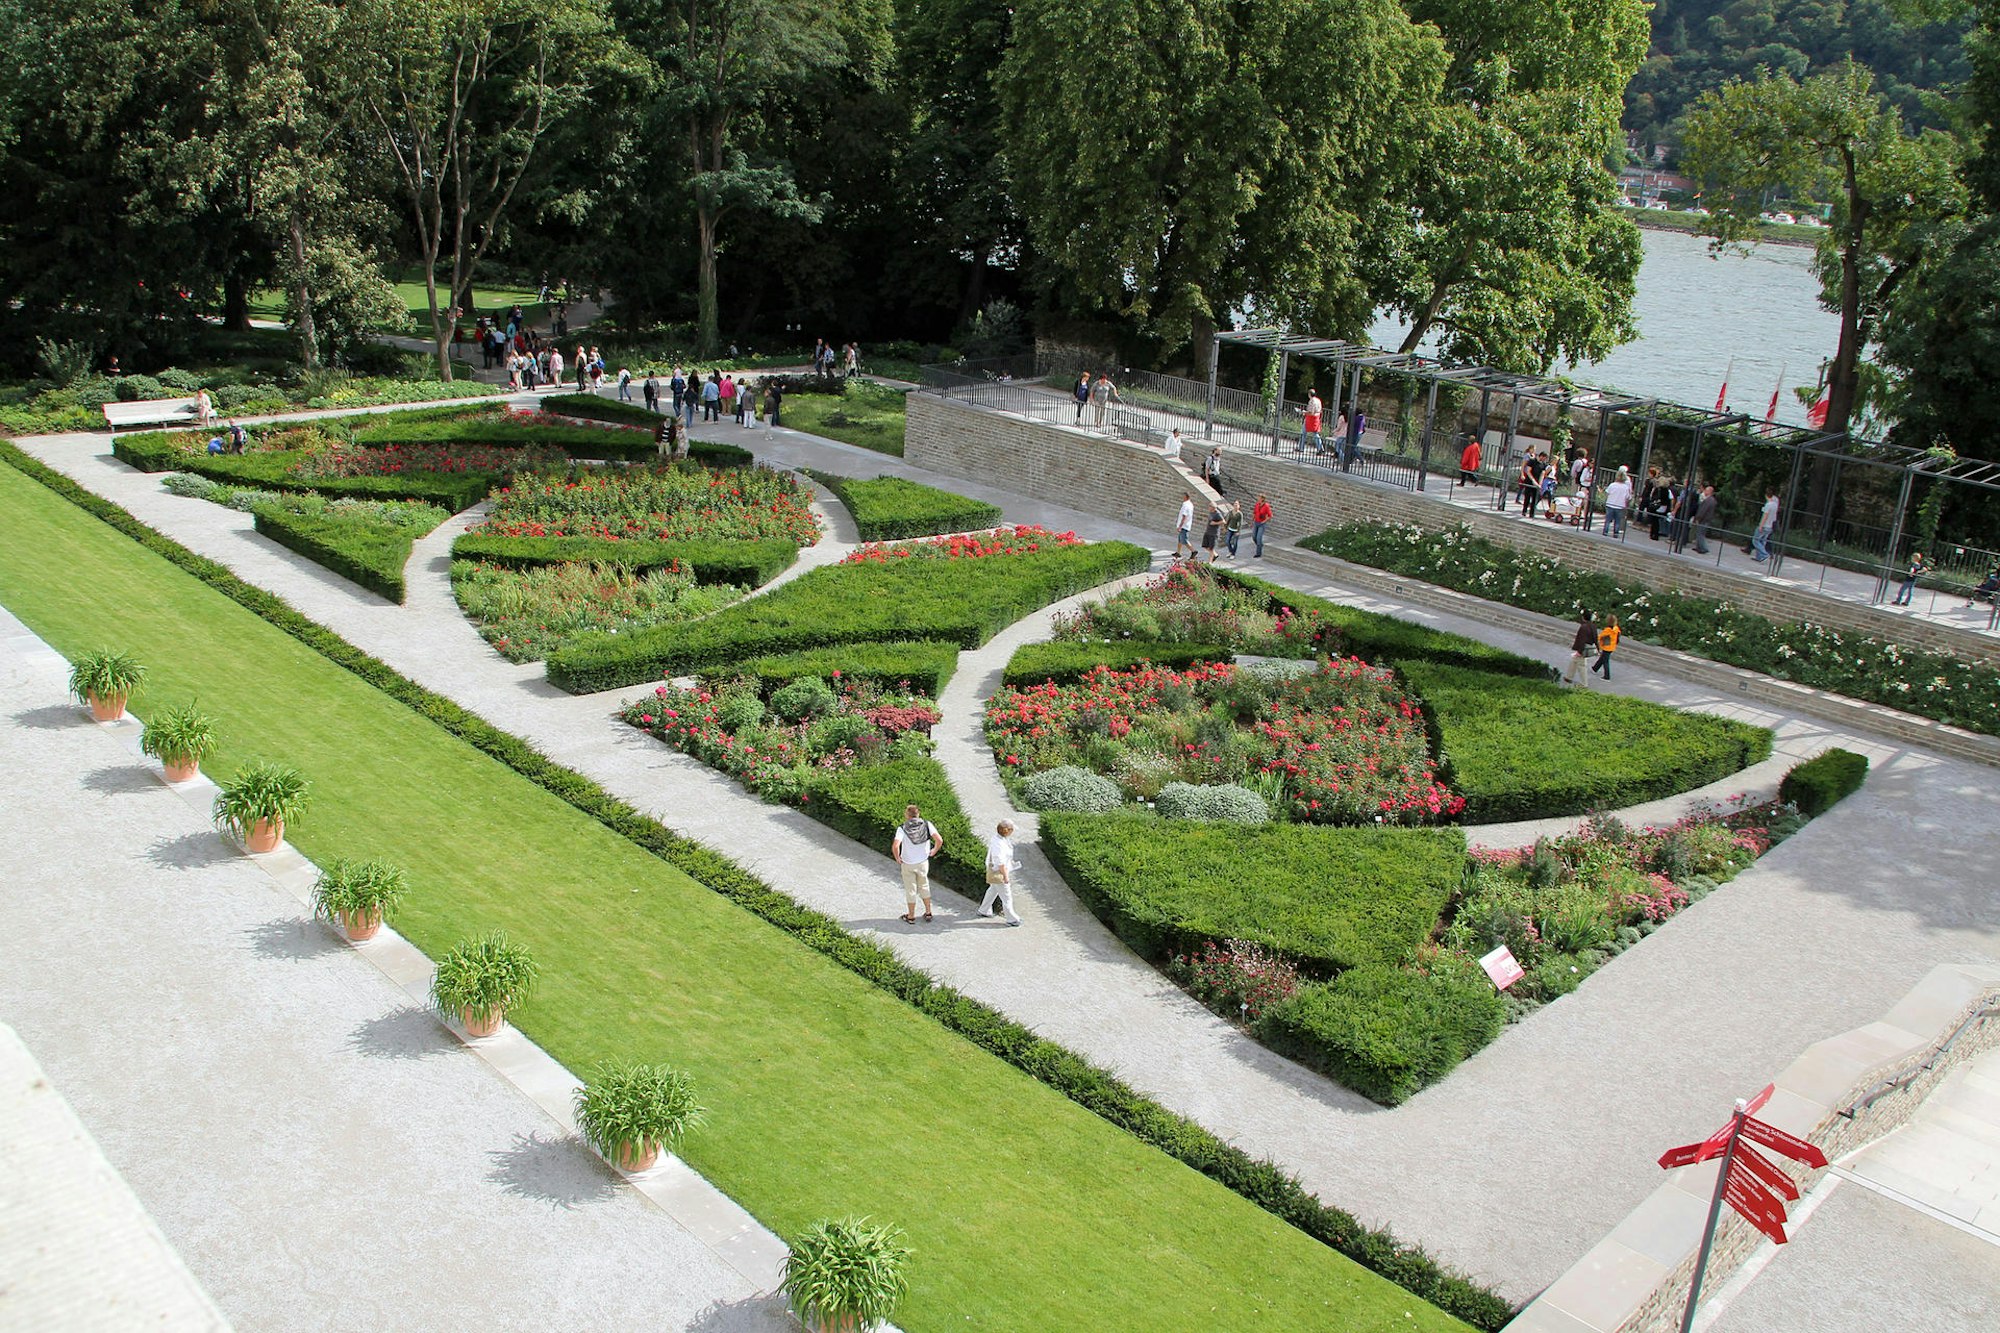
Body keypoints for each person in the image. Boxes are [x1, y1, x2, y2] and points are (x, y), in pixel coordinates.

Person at [890, 805, 941, 924]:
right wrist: (934, 850)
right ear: (918, 814)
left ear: (907, 815)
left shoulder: (902, 828)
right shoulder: (927, 824)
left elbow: (895, 846)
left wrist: (897, 858)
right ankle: (928, 912)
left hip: (908, 863)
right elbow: (939, 840)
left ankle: (911, 916)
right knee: (924, 886)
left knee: (910, 889)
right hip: (923, 862)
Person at [978, 819, 1023, 926]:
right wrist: (1006, 876)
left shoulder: (999, 839)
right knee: (1007, 896)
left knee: (993, 890)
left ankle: (984, 910)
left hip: (997, 871)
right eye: (1011, 830)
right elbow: (1000, 862)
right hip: (999, 872)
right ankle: (1012, 919)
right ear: (1007, 831)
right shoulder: (999, 844)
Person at [1565, 611, 1597, 686]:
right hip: (1588, 647)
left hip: (1583, 649)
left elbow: (1582, 640)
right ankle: (1569, 677)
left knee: (1582, 666)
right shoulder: (1593, 626)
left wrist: (1579, 651)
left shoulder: (1584, 627)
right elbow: (1595, 638)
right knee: (1574, 661)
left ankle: (1584, 684)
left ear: (1583, 617)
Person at [1602, 466, 1633, 538]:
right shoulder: (1625, 487)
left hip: (1610, 504)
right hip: (1619, 506)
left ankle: (1605, 531)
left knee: (1608, 519)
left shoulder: (1612, 485)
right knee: (1617, 520)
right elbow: (1628, 497)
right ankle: (1616, 533)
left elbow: (1607, 493)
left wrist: (1606, 500)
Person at [1751, 489, 1780, 562]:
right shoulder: (1775, 505)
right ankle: (1759, 557)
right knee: (1763, 541)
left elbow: (1765, 515)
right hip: (1770, 526)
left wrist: (1761, 525)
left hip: (1765, 525)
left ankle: (1764, 554)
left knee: (1755, 540)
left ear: (1766, 496)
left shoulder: (1768, 505)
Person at [1592, 614, 1621, 679]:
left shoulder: (1607, 630)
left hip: (1606, 647)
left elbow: (1600, 636)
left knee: (1605, 661)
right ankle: (1595, 668)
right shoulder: (1616, 628)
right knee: (1603, 658)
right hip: (1612, 646)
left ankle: (1607, 676)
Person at [1691, 485, 1718, 554]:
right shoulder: (1712, 500)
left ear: (1709, 491)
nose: (1704, 491)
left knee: (1700, 534)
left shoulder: (1708, 500)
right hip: (1706, 519)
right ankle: (1699, 547)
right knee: (1700, 533)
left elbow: (1703, 510)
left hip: (1703, 520)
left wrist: (1698, 518)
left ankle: (1703, 548)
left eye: (1706, 490)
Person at [1517, 453, 1541, 518]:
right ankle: (1524, 511)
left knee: (1534, 498)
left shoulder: (1542, 464)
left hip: (1536, 483)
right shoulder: (1532, 461)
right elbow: (1528, 471)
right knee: (1527, 497)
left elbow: (1542, 474)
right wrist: (1532, 480)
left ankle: (1532, 513)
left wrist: (1539, 483)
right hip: (1529, 481)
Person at [1175, 492, 1195, 560]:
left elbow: (1184, 516)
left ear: (1186, 497)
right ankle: (1178, 552)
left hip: (1184, 526)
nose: (1182, 497)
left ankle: (1193, 551)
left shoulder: (1186, 505)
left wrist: (1180, 526)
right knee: (1180, 539)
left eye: (1183, 496)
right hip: (1186, 525)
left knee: (1184, 540)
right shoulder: (1190, 504)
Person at [1251, 494, 1272, 558]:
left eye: (1259, 498)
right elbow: (1254, 513)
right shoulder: (1257, 504)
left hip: (1261, 524)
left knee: (1259, 538)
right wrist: (1252, 521)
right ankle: (1260, 545)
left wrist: (1264, 521)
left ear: (1263, 499)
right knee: (1254, 537)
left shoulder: (1266, 506)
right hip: (1256, 522)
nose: (1258, 499)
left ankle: (1258, 553)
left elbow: (1270, 515)